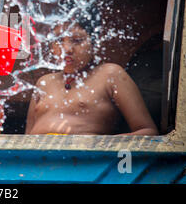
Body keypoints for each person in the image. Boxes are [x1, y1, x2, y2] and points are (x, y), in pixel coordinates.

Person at [25, 19, 158, 136]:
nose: (67, 49)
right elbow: (25, 140)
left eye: (77, 40)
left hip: (86, 161)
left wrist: (100, 144)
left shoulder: (110, 74)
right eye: (59, 41)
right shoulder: (44, 82)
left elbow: (148, 132)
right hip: (36, 162)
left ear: (94, 41)